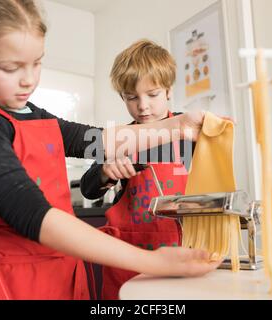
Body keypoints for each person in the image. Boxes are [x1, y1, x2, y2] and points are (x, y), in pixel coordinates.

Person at [0, 0, 220, 300]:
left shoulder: (31, 113)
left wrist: (179, 126)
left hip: (67, 277)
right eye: (10, 67)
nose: (29, 80)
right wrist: (153, 262)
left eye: (37, 63)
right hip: (16, 283)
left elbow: (94, 141)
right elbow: (35, 216)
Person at [81, 40, 196, 299]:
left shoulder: (189, 133)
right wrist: (105, 172)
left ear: (168, 91)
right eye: (132, 98)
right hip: (132, 256)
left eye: (152, 95)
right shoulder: (120, 138)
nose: (142, 106)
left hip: (185, 250)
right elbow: (88, 188)